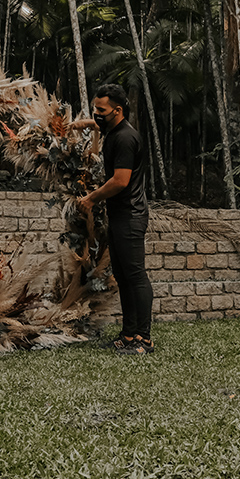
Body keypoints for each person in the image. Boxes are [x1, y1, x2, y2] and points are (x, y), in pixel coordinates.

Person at [72, 84, 156, 355]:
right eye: (95, 109)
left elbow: (120, 181)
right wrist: (84, 123)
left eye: (101, 110)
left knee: (135, 276)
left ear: (117, 110)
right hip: (119, 215)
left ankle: (143, 339)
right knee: (122, 275)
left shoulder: (125, 138)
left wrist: (91, 198)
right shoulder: (114, 131)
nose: (97, 114)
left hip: (131, 215)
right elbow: (99, 127)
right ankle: (129, 335)